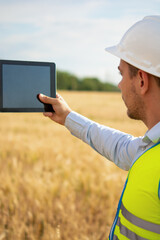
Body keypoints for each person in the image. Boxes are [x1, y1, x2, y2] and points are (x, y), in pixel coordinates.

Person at [39, 15, 160, 239]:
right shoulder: (150, 149)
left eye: (121, 74)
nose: (119, 84)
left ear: (142, 80)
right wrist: (68, 117)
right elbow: (119, 146)